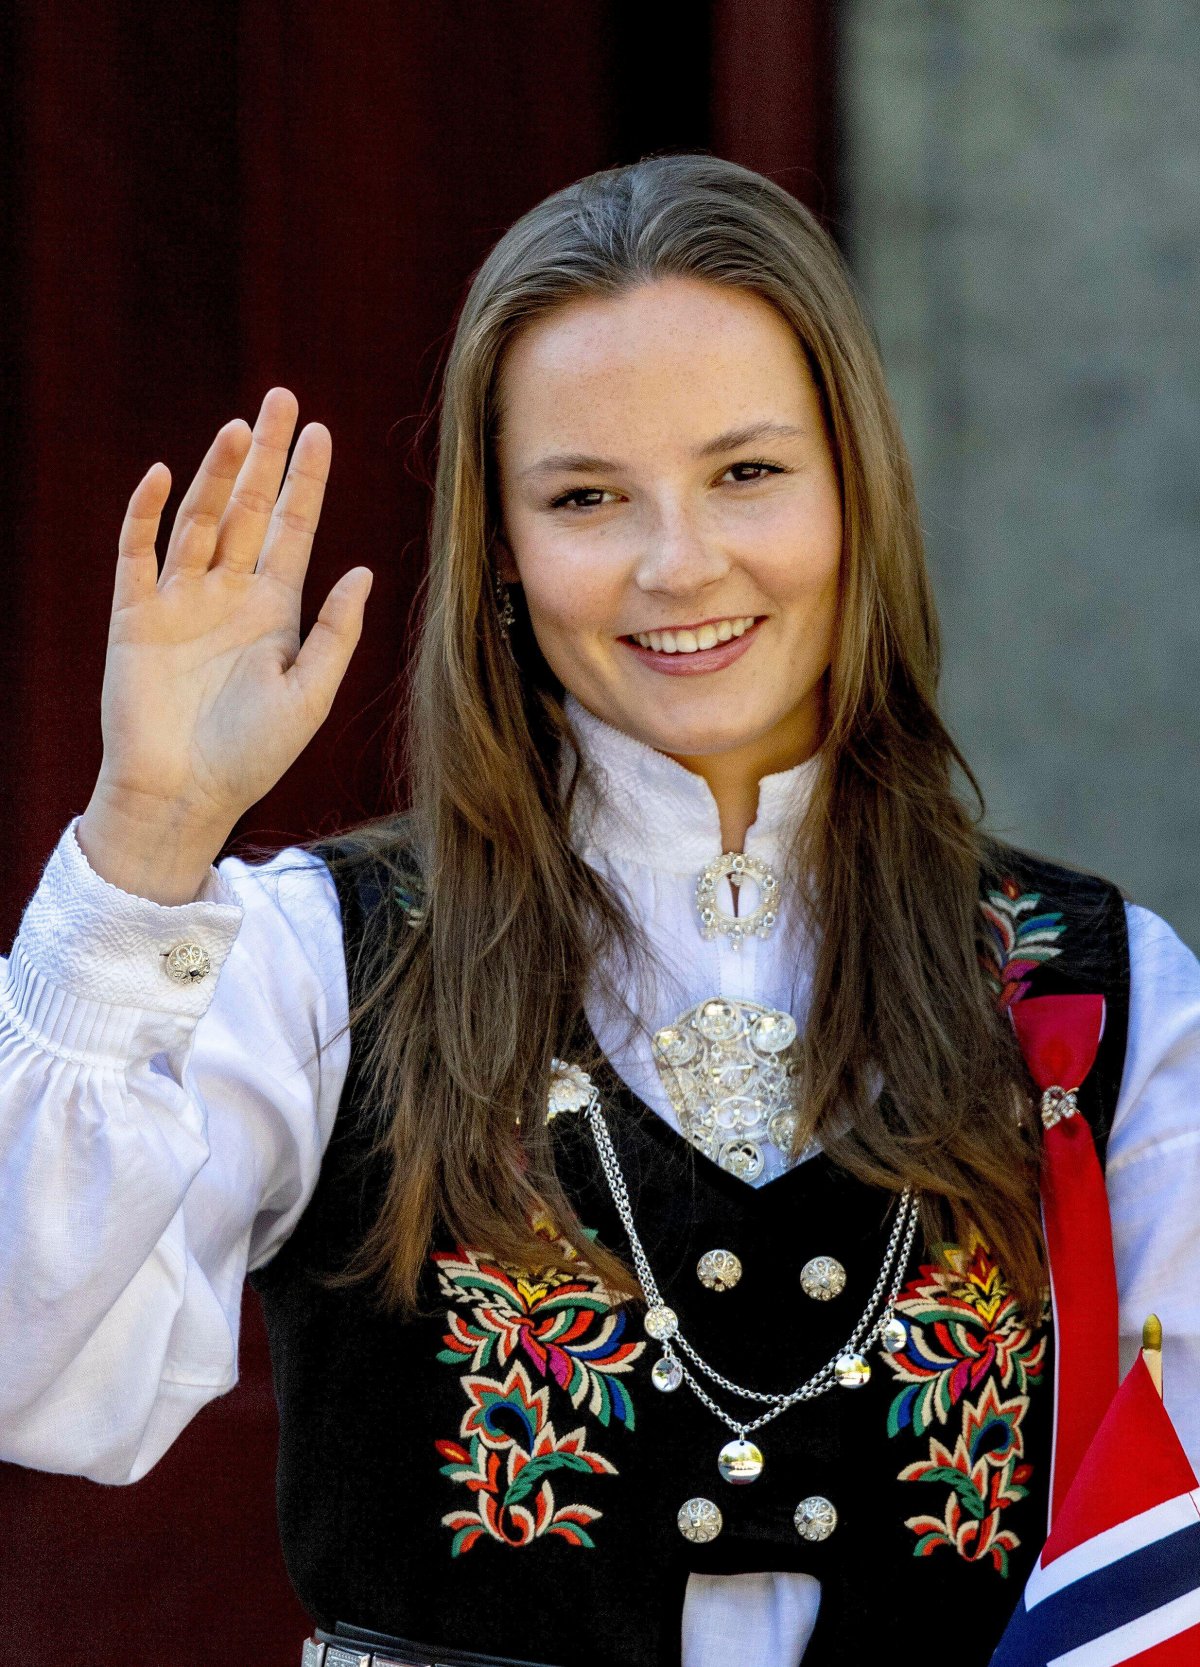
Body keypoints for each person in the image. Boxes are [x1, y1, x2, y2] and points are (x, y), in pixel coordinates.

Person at [1, 154, 1198, 1667]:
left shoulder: (1104, 993)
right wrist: (148, 836)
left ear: (859, 490)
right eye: (585, 496)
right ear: (500, 549)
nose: (678, 562)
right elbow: (29, 1376)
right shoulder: (315, 960)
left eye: (748, 473)